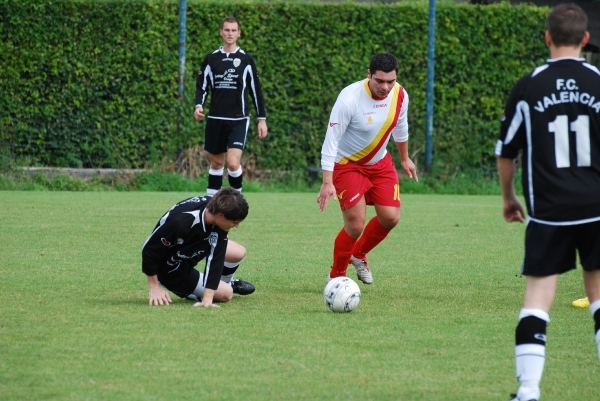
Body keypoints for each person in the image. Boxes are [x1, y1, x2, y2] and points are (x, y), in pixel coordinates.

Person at [495, 4, 600, 400]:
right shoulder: (599, 81)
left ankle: (528, 391)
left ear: (548, 38)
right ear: (586, 40)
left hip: (549, 213)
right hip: (596, 209)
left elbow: (507, 151)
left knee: (537, 301)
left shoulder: (529, 86)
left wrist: (509, 198)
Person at [317, 52, 418, 285]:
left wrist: (405, 158)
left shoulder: (400, 95)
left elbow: (400, 127)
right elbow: (330, 141)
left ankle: (358, 254)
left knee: (390, 218)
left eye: (390, 81)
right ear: (368, 74)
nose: (385, 87)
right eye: (379, 81)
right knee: (355, 224)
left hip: (380, 163)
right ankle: (337, 277)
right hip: (347, 165)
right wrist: (327, 182)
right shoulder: (349, 99)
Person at [141, 187, 256, 308]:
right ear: (221, 215)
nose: (237, 226)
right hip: (171, 269)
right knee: (226, 294)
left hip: (192, 249)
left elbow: (216, 256)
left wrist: (208, 299)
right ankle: (189, 291)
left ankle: (224, 284)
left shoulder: (218, 209)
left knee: (238, 252)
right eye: (234, 222)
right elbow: (150, 249)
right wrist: (153, 286)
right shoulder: (180, 223)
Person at [194, 16, 268, 195]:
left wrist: (262, 119)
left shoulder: (246, 60)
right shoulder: (211, 59)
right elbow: (202, 85)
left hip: (238, 119)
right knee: (216, 163)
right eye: (227, 30)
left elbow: (255, 90)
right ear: (221, 32)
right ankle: (211, 205)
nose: (230, 33)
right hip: (215, 119)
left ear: (239, 33)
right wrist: (199, 106)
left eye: (233, 30)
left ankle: (237, 202)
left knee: (233, 163)